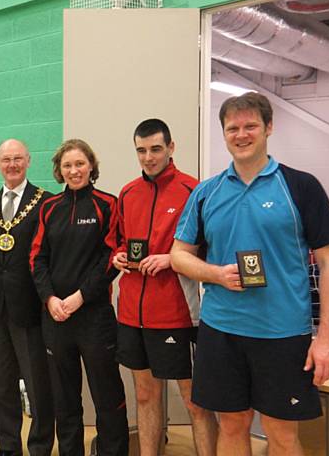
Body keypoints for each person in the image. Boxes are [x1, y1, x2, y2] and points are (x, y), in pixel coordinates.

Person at [171, 92, 329, 456]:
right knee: (232, 425)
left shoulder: (300, 186)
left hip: (282, 332)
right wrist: (216, 274)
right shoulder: (207, 192)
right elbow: (179, 256)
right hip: (221, 331)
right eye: (233, 127)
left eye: (251, 125)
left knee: (280, 433)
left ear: (268, 128)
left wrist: (327, 337)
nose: (242, 134)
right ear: (224, 134)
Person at [112, 119, 218, 456]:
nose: (148, 157)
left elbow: (207, 252)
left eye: (155, 149)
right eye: (141, 150)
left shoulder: (194, 191)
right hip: (131, 312)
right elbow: (119, 242)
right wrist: (118, 256)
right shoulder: (128, 192)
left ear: (171, 148)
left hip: (176, 314)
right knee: (144, 395)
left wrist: (171, 260)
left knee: (195, 402)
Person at [30, 139, 129, 456]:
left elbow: (112, 258)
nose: (74, 170)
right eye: (67, 165)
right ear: (59, 170)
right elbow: (37, 259)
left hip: (94, 318)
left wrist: (80, 297)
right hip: (56, 318)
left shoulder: (108, 205)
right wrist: (50, 300)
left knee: (107, 396)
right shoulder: (48, 208)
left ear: (91, 166)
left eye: (80, 164)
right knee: (65, 399)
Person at [0, 139, 54, 456]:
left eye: (18, 159)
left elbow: (48, 258)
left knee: (38, 385)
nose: (12, 165)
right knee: (1, 386)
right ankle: (9, 447)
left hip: (30, 309)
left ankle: (40, 447)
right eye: (6, 159)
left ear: (29, 161)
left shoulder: (46, 202)